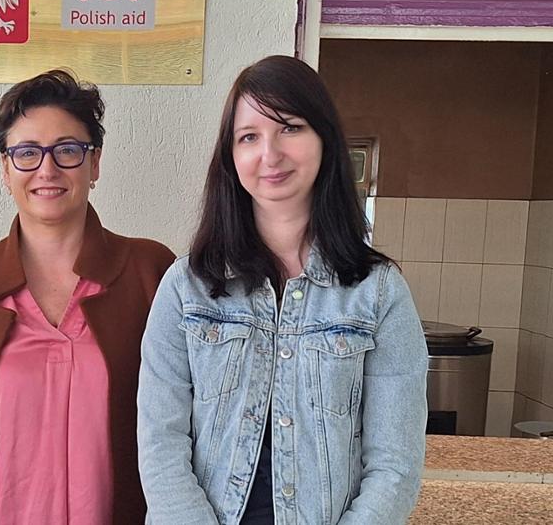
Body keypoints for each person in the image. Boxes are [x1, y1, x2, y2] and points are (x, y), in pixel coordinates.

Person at [138, 55, 427, 525]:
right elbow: (160, 442)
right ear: (231, 157)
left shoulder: (378, 292)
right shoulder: (187, 286)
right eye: (249, 136)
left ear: (323, 140)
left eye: (289, 128)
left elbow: (395, 463)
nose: (269, 154)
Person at [0, 69, 176, 525]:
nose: (47, 169)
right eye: (26, 152)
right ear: (5, 169)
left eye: (67, 150)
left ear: (94, 163)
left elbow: (189, 428)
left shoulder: (151, 274)